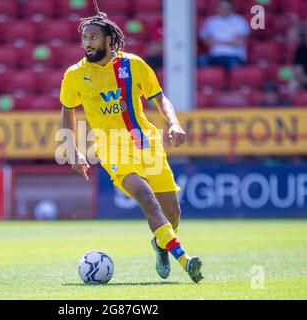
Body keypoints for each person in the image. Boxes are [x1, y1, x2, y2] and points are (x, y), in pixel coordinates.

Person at [60, 0, 203, 283]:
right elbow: (67, 110)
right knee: (146, 198)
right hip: (111, 146)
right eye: (84, 38)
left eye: (93, 37)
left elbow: (159, 98)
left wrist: (173, 122)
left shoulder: (133, 65)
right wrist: (72, 149)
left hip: (146, 142)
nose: (87, 43)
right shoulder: (75, 75)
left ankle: (160, 244)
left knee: (172, 214)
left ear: (110, 40)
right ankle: (186, 260)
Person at [198, 0, 250, 69]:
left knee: (234, 65)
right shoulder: (211, 21)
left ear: (231, 8)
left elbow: (238, 42)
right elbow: (204, 39)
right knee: (198, 61)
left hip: (234, 56)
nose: (223, 9)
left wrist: (215, 41)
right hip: (215, 56)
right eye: (221, 7)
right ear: (217, 7)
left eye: (226, 7)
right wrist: (229, 41)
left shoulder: (239, 20)